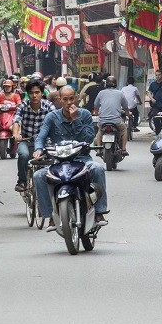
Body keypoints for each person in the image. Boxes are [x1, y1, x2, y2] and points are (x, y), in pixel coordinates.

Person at [33, 86, 109, 232]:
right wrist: (38, 149)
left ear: (76, 98)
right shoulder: (52, 117)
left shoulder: (85, 114)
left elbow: (88, 138)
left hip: (82, 160)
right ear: (60, 100)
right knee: (38, 176)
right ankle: (51, 216)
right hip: (58, 162)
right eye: (65, 99)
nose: (69, 102)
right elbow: (41, 136)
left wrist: (76, 120)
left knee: (98, 168)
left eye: (71, 98)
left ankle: (99, 212)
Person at [12, 79, 55, 192]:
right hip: (26, 140)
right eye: (31, 93)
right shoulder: (22, 106)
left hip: (45, 142)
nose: (34, 95)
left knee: (53, 158)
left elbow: (56, 122)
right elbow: (16, 121)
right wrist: (16, 134)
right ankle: (22, 181)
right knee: (23, 154)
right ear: (28, 94)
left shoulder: (49, 106)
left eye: (37, 92)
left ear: (42, 93)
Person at [94, 76, 130, 156]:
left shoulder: (101, 93)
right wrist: (128, 114)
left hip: (103, 121)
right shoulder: (120, 93)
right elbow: (125, 107)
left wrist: (97, 113)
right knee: (124, 130)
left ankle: (99, 150)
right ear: (115, 84)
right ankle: (123, 149)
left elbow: (96, 105)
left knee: (100, 132)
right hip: (116, 121)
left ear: (106, 84)